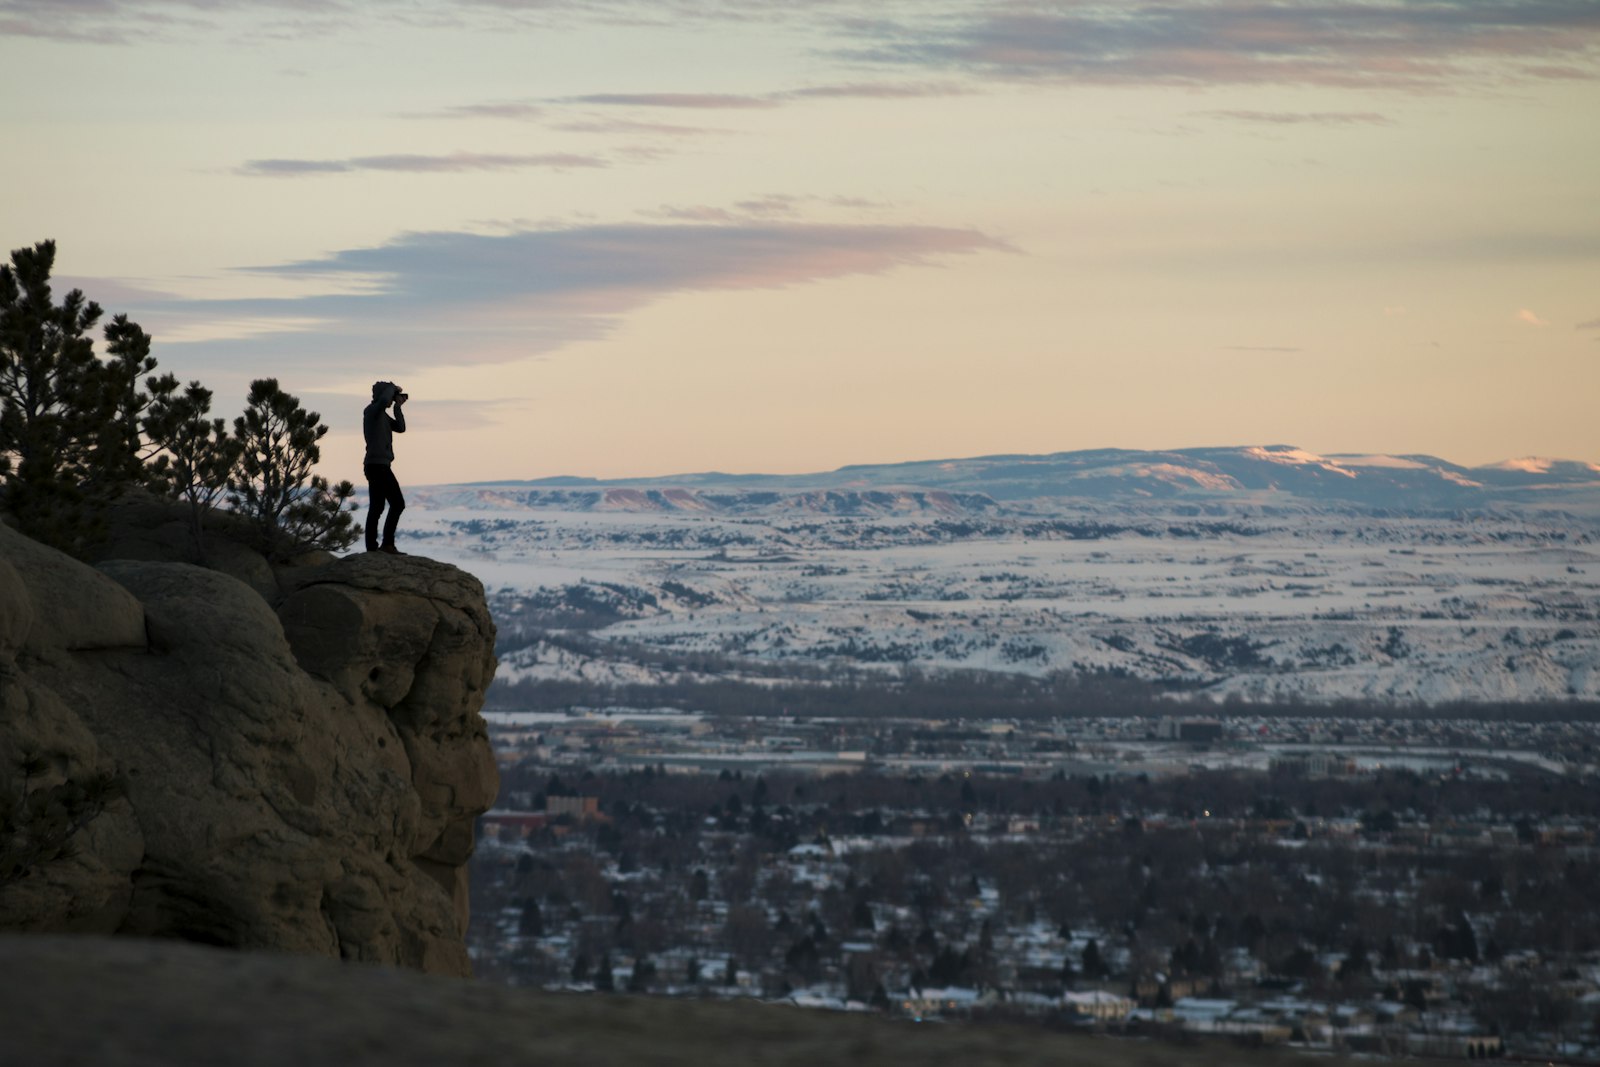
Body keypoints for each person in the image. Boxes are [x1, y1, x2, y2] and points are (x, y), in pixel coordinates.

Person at [363, 380, 407, 554]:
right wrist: (393, 387)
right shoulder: (372, 411)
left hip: (378, 465)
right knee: (397, 504)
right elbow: (382, 402)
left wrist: (398, 406)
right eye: (389, 396)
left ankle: (373, 548)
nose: (390, 399)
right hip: (377, 466)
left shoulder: (382, 416)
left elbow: (401, 428)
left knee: (378, 507)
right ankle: (386, 544)